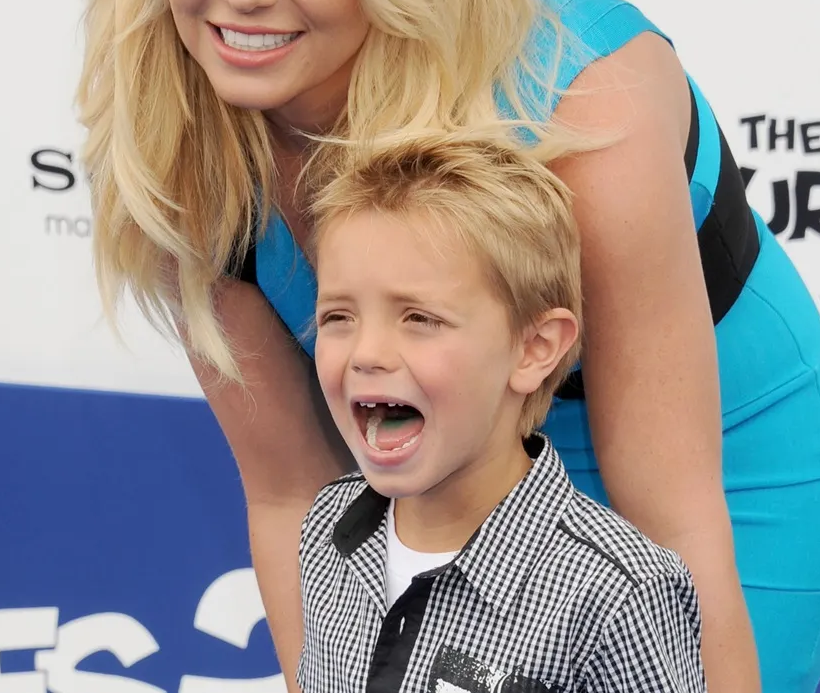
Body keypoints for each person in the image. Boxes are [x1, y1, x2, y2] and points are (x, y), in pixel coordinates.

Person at [76, 0, 820, 693]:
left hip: (720, 480)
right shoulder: (175, 151)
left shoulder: (584, 109)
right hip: (435, 477)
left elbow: (673, 513)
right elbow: (296, 500)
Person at [296, 132, 706, 693]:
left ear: (534, 348)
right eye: (339, 316)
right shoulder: (328, 527)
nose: (366, 353)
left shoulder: (617, 595)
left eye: (419, 318)